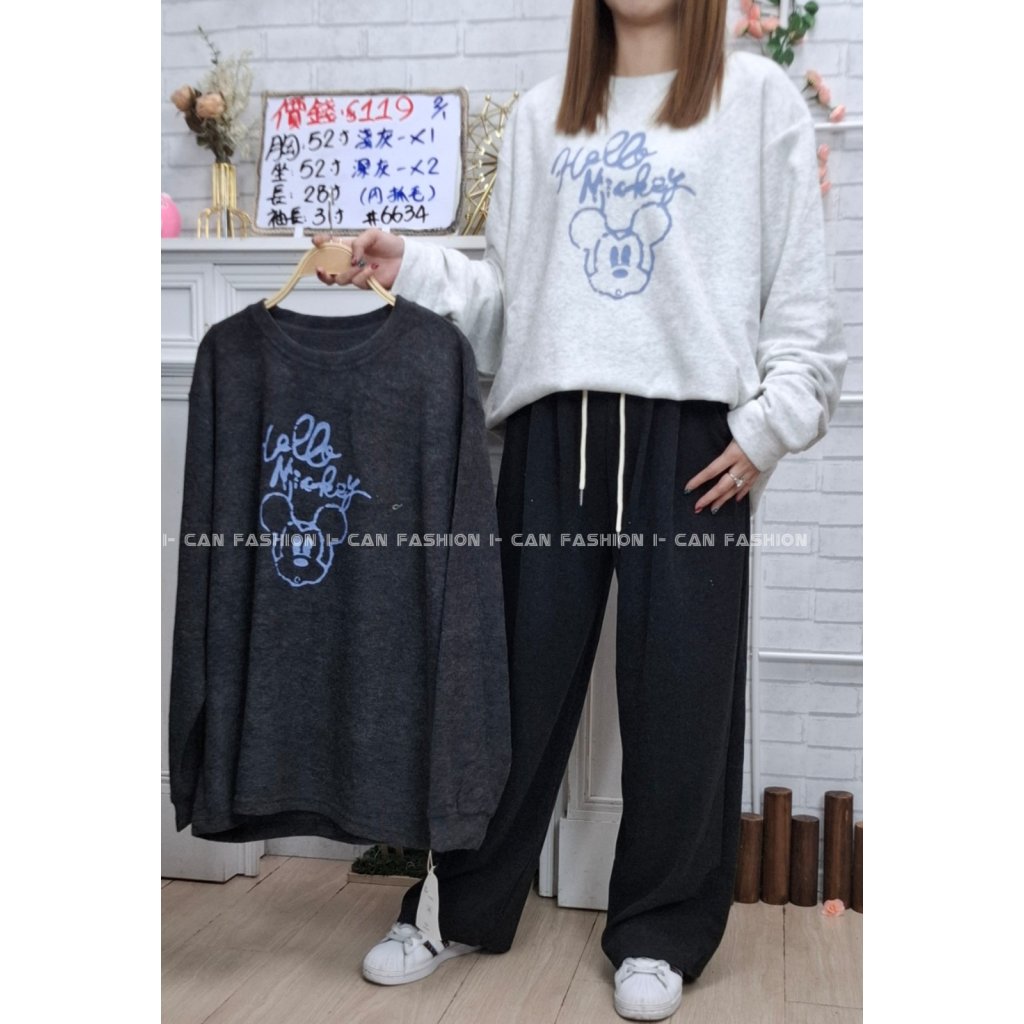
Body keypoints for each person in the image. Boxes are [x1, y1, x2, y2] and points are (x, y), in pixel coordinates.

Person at [316, 1, 845, 1019]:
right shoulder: (540, 116)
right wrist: (411, 265)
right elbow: (510, 308)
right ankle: (457, 905)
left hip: (693, 442)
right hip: (554, 431)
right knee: (505, 689)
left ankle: (659, 929)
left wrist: (769, 426)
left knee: (683, 698)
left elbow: (800, 297)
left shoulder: (756, 99)